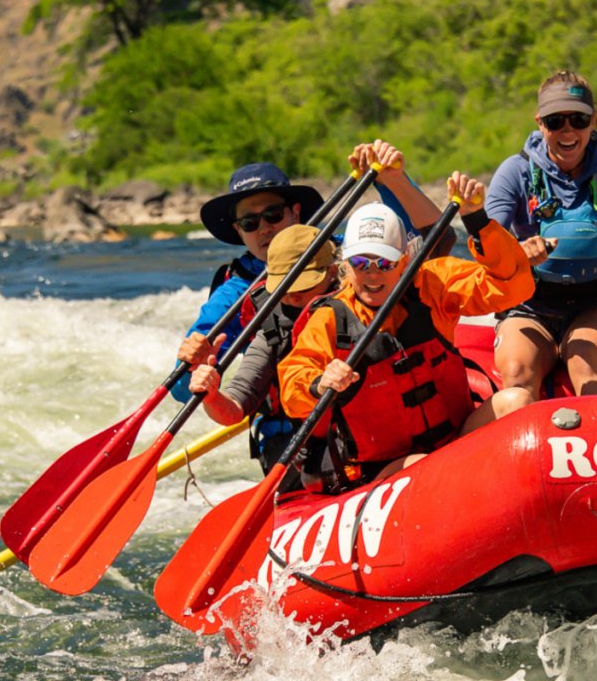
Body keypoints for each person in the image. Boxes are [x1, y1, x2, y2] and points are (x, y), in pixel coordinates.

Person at [279, 175, 536, 489]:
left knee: (518, 399)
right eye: (361, 262)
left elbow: (513, 286)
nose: (372, 273)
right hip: (385, 469)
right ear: (347, 266)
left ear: (403, 261)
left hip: (454, 440)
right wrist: (320, 383)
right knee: (424, 466)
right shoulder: (331, 319)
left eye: (384, 263)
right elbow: (293, 380)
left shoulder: (431, 284)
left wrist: (476, 219)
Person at [172, 141, 452, 402]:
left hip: (381, 391)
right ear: (238, 230)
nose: (265, 228)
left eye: (273, 215)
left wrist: (393, 180)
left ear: (295, 212)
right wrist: (194, 369)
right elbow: (183, 393)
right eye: (249, 222)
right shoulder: (232, 295)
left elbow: (434, 240)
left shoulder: (347, 255)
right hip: (299, 420)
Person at [484, 70, 597, 400]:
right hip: (529, 306)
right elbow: (487, 244)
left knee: (583, 361)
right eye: (556, 121)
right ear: (540, 123)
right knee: (516, 374)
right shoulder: (515, 171)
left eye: (578, 120)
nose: (567, 130)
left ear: (594, 121)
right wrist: (517, 252)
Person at [182, 223, 340, 487]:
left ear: (333, 272)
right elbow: (233, 409)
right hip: (319, 458)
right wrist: (211, 396)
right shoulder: (273, 328)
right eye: (285, 287)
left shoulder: (366, 298)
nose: (293, 296)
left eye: (303, 286)